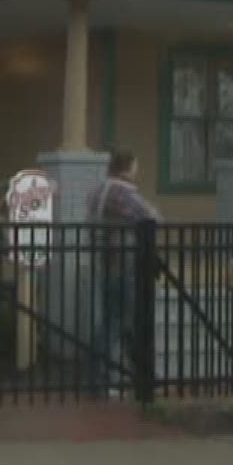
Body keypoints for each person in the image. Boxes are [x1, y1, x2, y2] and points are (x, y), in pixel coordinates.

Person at [86, 148, 162, 395]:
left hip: (105, 263)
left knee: (116, 320)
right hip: (124, 265)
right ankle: (101, 380)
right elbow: (152, 217)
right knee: (116, 323)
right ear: (128, 167)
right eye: (135, 165)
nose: (137, 171)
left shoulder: (97, 191)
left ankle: (137, 374)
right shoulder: (122, 193)